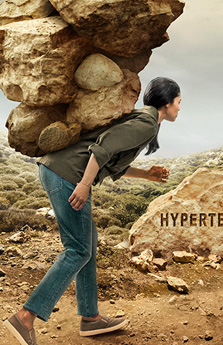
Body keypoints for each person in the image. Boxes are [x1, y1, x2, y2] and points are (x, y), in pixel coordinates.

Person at [3, 77, 182, 345]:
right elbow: (102, 148)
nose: (180, 108)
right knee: (77, 249)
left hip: (57, 170)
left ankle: (91, 319)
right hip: (67, 175)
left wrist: (146, 174)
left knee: (88, 244)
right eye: (179, 102)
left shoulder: (144, 120)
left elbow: (111, 162)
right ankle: (25, 317)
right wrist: (85, 184)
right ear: (166, 103)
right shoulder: (146, 122)